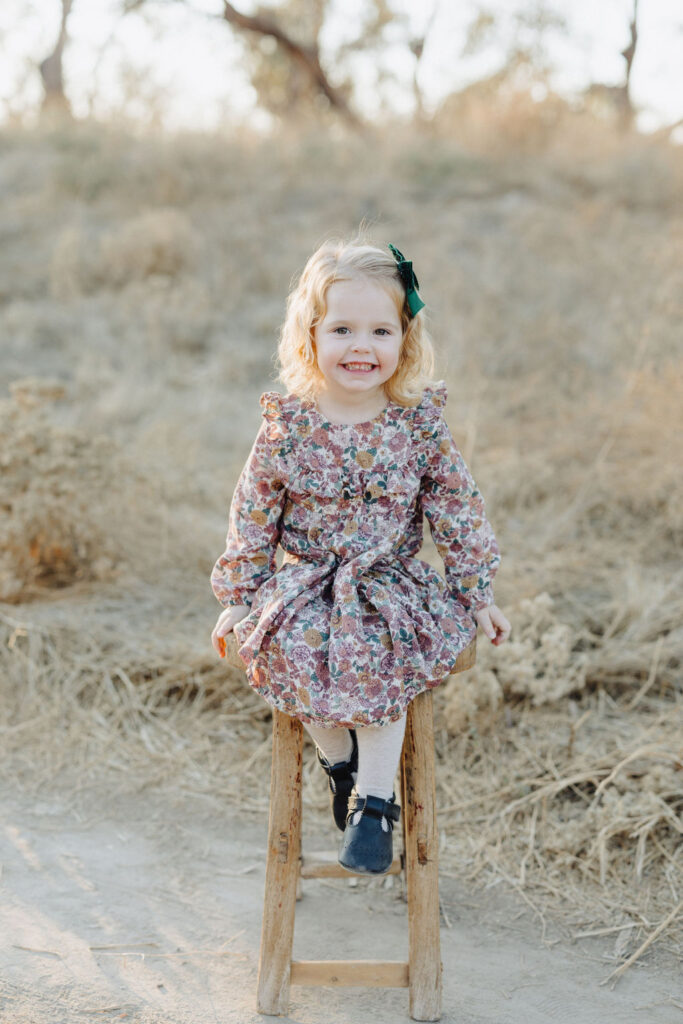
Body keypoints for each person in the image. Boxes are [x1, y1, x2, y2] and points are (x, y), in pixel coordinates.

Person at [210, 238, 511, 876]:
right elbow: (254, 513)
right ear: (310, 337)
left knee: (384, 646)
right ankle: (339, 764)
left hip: (389, 583)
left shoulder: (415, 424)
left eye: (380, 330)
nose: (361, 346)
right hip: (309, 584)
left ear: (404, 339)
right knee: (283, 644)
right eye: (342, 329)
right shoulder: (288, 427)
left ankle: (375, 806)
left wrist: (476, 591)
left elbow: (456, 507)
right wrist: (239, 598)